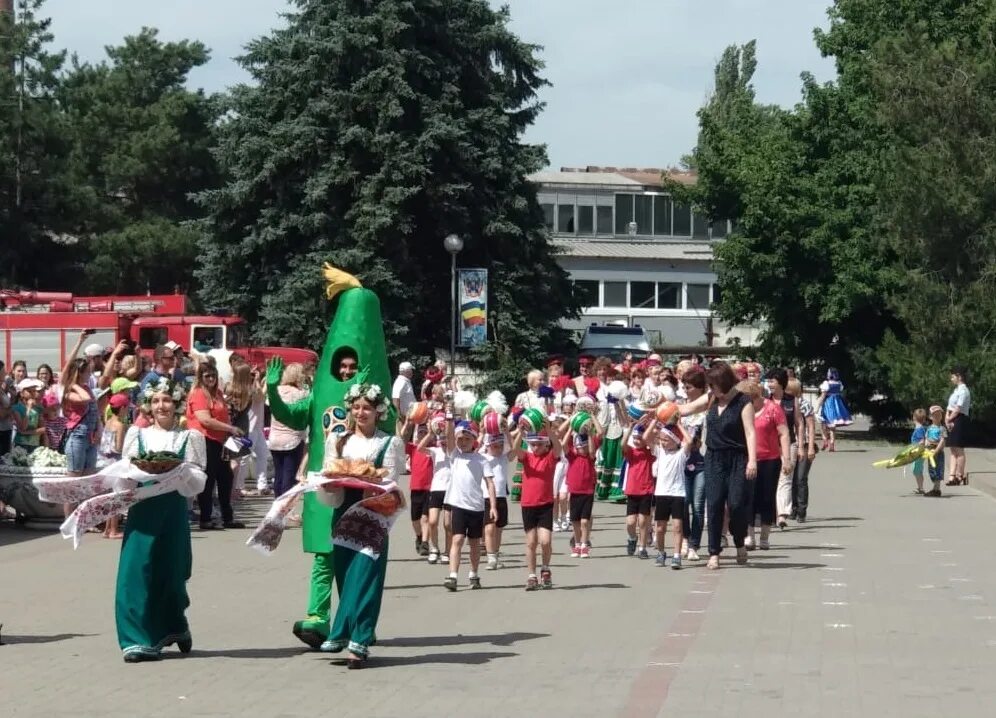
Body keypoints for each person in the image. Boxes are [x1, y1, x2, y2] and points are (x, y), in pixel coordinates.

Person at [118, 379, 207, 662]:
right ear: (148, 406)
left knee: (171, 573)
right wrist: (132, 480)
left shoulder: (189, 437)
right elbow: (124, 474)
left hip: (173, 509)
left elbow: (197, 481)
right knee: (135, 572)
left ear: (177, 404)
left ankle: (175, 627)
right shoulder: (136, 435)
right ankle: (135, 640)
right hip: (143, 509)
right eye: (155, 401)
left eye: (166, 400)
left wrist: (182, 475)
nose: (161, 406)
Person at [316, 381, 404, 667]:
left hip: (373, 514)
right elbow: (330, 473)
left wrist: (377, 486)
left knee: (367, 577)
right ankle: (349, 632)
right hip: (343, 512)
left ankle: (360, 640)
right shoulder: (338, 440)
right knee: (345, 575)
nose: (360, 413)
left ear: (378, 411)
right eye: (356, 407)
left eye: (366, 408)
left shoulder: (388, 443)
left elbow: (391, 479)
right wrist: (328, 485)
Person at [701, 362, 757, 570]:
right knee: (714, 504)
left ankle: (740, 541)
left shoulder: (743, 402)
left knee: (735, 504)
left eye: (713, 385)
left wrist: (752, 460)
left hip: (738, 458)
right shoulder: (711, 400)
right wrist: (660, 410)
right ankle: (714, 552)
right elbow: (686, 408)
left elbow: (751, 432)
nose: (711, 389)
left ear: (723, 383)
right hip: (714, 458)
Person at [186, 363, 246, 530]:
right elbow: (205, 420)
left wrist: (229, 432)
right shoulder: (198, 394)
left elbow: (223, 416)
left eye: (213, 375)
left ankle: (228, 517)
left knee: (226, 478)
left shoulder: (217, 393)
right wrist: (230, 428)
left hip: (219, 440)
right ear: (200, 377)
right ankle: (205, 518)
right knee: (208, 479)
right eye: (207, 376)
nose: (211, 379)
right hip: (204, 440)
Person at [442, 419, 497, 591]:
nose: (463, 442)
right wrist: (450, 420)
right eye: (460, 439)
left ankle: (473, 574)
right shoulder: (454, 456)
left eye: (467, 439)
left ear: (474, 441)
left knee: (474, 543)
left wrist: (493, 506)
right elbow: (449, 437)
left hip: (477, 507)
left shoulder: (481, 460)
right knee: (457, 539)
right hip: (458, 506)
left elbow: (490, 484)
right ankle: (453, 576)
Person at [513, 417, 562, 591]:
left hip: (545, 505)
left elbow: (558, 448)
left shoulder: (550, 457)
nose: (536, 447)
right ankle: (532, 575)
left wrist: (549, 430)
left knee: (545, 541)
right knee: (531, 542)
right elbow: (514, 449)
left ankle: (546, 568)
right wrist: (520, 432)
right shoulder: (526, 457)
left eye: (539, 444)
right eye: (533, 444)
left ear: (545, 445)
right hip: (528, 505)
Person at [743, 380, 789, 551]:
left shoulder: (772, 409)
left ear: (757, 397)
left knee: (767, 498)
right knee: (749, 498)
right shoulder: (742, 410)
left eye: (750, 400)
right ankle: (749, 536)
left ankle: (764, 536)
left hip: (770, 459)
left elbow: (784, 433)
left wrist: (787, 458)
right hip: (748, 459)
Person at [61, 357, 100, 518]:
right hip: (77, 437)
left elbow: (95, 410)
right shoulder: (71, 391)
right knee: (74, 481)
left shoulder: (85, 388)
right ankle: (69, 519)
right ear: (79, 373)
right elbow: (85, 399)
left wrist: (98, 429)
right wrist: (75, 383)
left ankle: (85, 518)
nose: (89, 375)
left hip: (90, 437)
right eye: (87, 372)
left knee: (88, 480)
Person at [561, 412, 605, 558]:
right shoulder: (572, 455)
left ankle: (585, 545)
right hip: (574, 489)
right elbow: (563, 444)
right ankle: (577, 543)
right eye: (580, 447)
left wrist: (592, 418)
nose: (582, 449)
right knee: (575, 520)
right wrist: (571, 426)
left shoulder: (590, 457)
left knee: (585, 520)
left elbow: (599, 436)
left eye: (584, 446)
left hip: (588, 489)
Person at [764, 369, 800, 528]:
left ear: (781, 383)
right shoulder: (765, 401)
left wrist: (801, 445)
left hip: (789, 443)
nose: (770, 384)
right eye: (769, 381)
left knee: (785, 478)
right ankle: (770, 513)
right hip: (769, 446)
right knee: (770, 479)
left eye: (772, 381)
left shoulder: (792, 401)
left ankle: (782, 514)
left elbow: (799, 423)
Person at [268, 362, 309, 497]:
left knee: (278, 476)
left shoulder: (276, 391)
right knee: (289, 477)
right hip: (293, 440)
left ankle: (276, 505)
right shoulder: (302, 393)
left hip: (274, 439)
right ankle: (284, 510)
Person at [679, 366, 708, 560]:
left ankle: (694, 545)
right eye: (684, 386)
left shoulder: (708, 407)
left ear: (699, 388)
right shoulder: (679, 406)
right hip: (681, 460)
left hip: (702, 461)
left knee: (698, 505)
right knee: (684, 502)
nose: (685, 390)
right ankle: (683, 538)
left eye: (689, 387)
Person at [654, 424, 691, 569]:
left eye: (666, 440)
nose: (662, 442)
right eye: (661, 440)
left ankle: (676, 556)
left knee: (677, 527)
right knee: (660, 529)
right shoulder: (660, 452)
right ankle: (661, 553)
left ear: (675, 441)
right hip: (662, 493)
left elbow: (688, 441)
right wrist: (655, 421)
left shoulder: (681, 454)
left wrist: (679, 425)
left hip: (677, 493)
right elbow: (646, 438)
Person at [621, 415, 658, 559]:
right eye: (635, 438)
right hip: (632, 491)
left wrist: (651, 423)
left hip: (646, 490)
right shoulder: (631, 452)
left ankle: (642, 548)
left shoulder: (650, 453)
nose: (637, 441)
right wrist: (629, 429)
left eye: (640, 438)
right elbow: (623, 445)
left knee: (643, 521)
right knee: (630, 522)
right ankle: (632, 538)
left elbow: (653, 438)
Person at [417, 415, 452, 565]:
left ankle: (447, 551)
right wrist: (431, 433)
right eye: (441, 439)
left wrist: (449, 430)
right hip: (436, 489)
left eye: (446, 439)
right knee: (432, 521)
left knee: (448, 524)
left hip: (451, 490)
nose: (443, 442)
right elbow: (419, 448)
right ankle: (434, 548)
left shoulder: (454, 451)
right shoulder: (435, 451)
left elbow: (452, 438)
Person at [98, 393, 131, 539]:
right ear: (123, 408)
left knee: (109, 495)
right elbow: (118, 447)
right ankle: (113, 530)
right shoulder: (120, 425)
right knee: (117, 495)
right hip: (115, 461)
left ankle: (107, 529)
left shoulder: (108, 422)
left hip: (104, 461)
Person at [483, 422, 515, 570]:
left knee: (499, 529)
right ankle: (490, 557)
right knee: (489, 528)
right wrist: (483, 431)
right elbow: (475, 448)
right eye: (495, 446)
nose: (498, 449)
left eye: (500, 446)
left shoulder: (503, 458)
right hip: (486, 497)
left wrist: (508, 431)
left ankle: (495, 554)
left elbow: (514, 449)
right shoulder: (482, 458)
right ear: (488, 445)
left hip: (501, 497)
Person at [787, 378, 817, 521]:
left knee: (800, 478)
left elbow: (811, 426)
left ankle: (801, 510)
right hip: (791, 444)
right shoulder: (785, 405)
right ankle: (792, 508)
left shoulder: (804, 405)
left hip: (804, 445)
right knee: (791, 478)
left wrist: (811, 447)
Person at [401, 418, 432, 556]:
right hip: (416, 488)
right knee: (415, 519)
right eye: (421, 432)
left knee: (426, 518)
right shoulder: (413, 448)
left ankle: (425, 543)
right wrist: (407, 424)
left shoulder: (433, 450)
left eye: (425, 432)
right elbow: (400, 441)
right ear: (417, 434)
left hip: (430, 489)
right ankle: (419, 537)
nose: (423, 435)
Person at [945, 367, 971, 486]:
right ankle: (952, 476)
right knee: (952, 448)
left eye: (953, 376)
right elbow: (950, 406)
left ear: (959, 377)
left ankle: (960, 475)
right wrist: (946, 417)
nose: (951, 378)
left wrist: (950, 418)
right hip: (952, 418)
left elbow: (958, 408)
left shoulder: (963, 391)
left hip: (959, 419)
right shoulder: (956, 390)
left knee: (959, 448)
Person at [815, 368, 852, 451]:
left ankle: (825, 440)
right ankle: (831, 443)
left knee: (823, 423)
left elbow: (823, 396)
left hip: (828, 404)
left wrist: (817, 407)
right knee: (832, 426)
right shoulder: (839, 383)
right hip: (837, 405)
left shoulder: (826, 383)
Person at [12, 378, 45, 453]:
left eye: (34, 391)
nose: (32, 393)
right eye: (29, 391)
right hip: (21, 444)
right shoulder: (16, 408)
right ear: (21, 393)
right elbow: (23, 427)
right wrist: (28, 409)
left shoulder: (38, 408)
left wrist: (27, 432)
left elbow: (43, 429)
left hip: (35, 444)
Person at [925, 405, 947, 497]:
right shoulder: (929, 428)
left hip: (938, 452)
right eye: (935, 415)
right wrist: (926, 447)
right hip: (930, 451)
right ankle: (935, 488)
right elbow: (926, 438)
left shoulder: (942, 428)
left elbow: (942, 440)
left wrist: (937, 450)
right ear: (930, 417)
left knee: (938, 469)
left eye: (939, 414)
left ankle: (936, 489)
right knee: (931, 470)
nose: (938, 416)